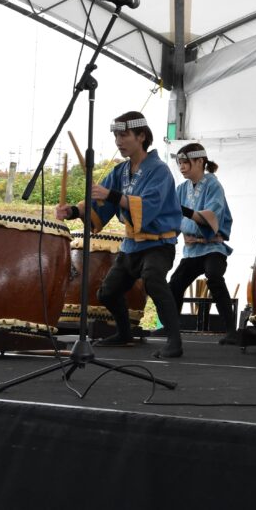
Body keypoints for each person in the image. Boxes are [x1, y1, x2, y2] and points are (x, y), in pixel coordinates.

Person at [56, 111, 183, 359]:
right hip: (132, 245)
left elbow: (148, 206)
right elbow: (99, 202)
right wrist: (72, 211)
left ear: (141, 136)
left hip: (159, 243)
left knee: (154, 280)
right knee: (108, 292)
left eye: (124, 136)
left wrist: (110, 195)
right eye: (116, 136)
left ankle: (175, 341)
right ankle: (125, 333)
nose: (118, 141)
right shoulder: (120, 171)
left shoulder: (159, 170)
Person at [167, 143, 238, 345]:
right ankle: (172, 329)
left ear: (200, 161)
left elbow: (211, 216)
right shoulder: (181, 189)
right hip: (192, 250)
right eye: (179, 162)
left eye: (186, 162)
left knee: (214, 276)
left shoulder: (214, 186)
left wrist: (188, 223)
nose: (181, 166)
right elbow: (173, 217)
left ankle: (231, 330)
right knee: (175, 283)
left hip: (212, 247)